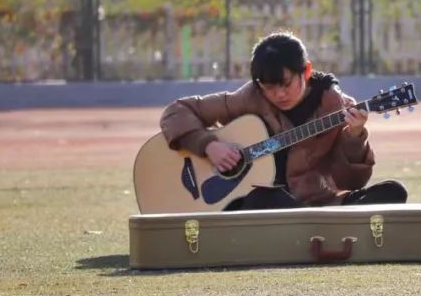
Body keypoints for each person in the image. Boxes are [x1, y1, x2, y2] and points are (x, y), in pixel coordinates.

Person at [159, 31, 407, 210]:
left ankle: (306, 218)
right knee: (264, 199)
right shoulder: (249, 98)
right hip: (261, 202)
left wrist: (355, 137)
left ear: (306, 72)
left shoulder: (337, 107)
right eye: (268, 87)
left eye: (285, 84)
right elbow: (176, 112)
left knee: (394, 192)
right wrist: (209, 145)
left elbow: (351, 182)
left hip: (315, 202)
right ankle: (303, 219)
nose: (278, 94)